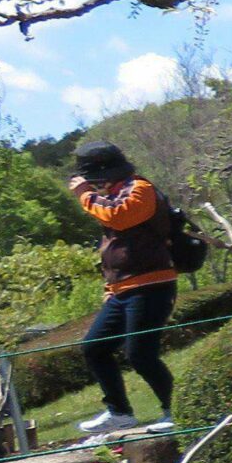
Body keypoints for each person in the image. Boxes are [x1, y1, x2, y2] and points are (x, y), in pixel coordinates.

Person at [68, 141, 178, 436]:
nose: (95, 184)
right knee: (95, 347)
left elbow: (120, 215)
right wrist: (110, 287)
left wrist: (84, 194)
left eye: (95, 178)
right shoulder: (113, 194)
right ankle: (120, 413)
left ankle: (176, 410)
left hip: (152, 285)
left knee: (140, 354)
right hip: (121, 290)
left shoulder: (140, 189)